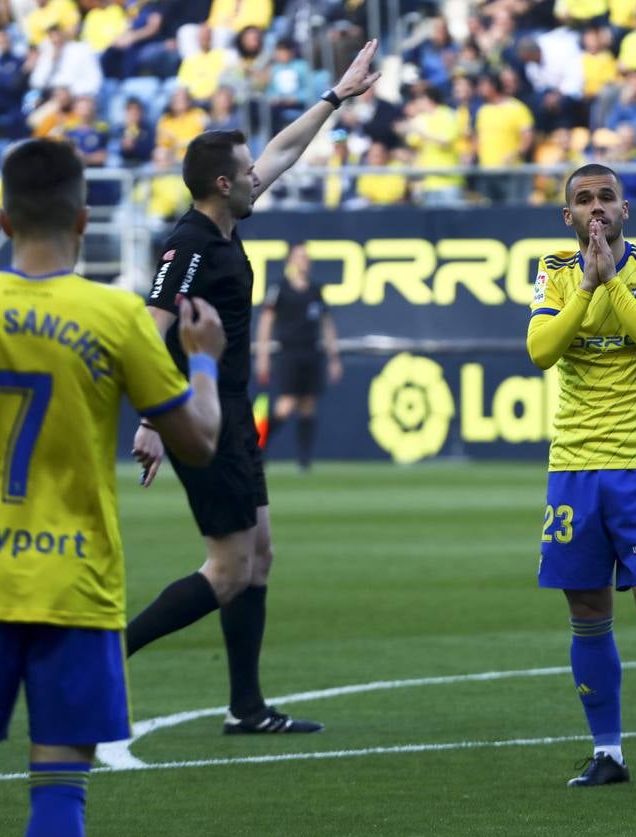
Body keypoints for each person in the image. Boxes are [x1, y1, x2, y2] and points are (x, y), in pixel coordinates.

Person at [0, 138, 223, 837]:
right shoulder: (114, 317)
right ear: (83, 217)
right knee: (60, 784)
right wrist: (203, 359)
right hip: (74, 582)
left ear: (1, 215)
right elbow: (195, 444)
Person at [126, 40, 382, 735]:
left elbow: (283, 151)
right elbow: (149, 328)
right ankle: (103, 656)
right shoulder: (189, 245)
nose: (257, 175)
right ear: (220, 185)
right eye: (245, 172)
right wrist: (156, 415)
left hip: (230, 410)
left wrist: (336, 97)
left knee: (258, 553)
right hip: (203, 417)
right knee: (230, 567)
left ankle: (245, 707)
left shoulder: (225, 218)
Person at [527, 164, 636, 790]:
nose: (595, 208)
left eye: (605, 197)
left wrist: (611, 285)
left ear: (626, 207)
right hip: (574, 466)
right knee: (588, 609)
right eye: (582, 200)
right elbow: (541, 350)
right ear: (565, 215)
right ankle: (609, 753)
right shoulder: (553, 270)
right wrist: (585, 289)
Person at [255, 242, 342, 472]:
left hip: (311, 351)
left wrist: (334, 357)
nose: (304, 261)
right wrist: (262, 354)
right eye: (300, 256)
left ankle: (304, 459)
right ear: (290, 261)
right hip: (288, 352)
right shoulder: (280, 289)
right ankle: (258, 447)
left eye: (307, 257)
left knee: (308, 405)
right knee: (285, 405)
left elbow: (327, 324)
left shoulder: (316, 290)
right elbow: (266, 322)